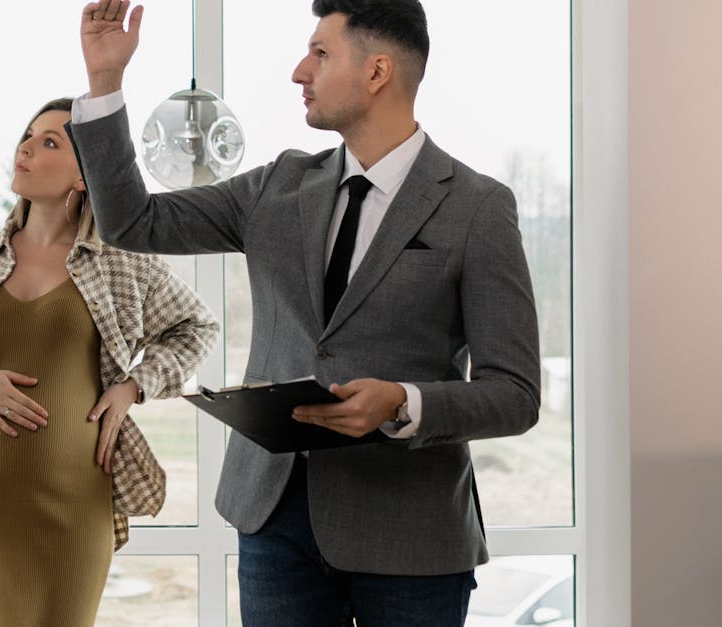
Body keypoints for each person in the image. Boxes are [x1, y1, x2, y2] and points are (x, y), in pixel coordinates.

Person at [75, 1, 541, 625]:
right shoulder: (277, 187)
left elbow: (514, 393)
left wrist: (405, 401)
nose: (300, 71)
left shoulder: (477, 208)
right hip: (274, 524)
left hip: (412, 536)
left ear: (377, 73)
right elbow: (133, 221)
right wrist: (105, 83)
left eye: (321, 53)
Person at [0, 97, 219, 627]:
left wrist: (133, 388)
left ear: (84, 177)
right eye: (28, 136)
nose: (27, 147)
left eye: (50, 142)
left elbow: (199, 328)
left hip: (77, 504)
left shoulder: (121, 264)